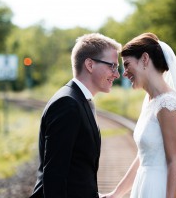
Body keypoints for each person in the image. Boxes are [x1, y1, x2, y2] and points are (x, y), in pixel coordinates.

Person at [101, 33, 176, 198]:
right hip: (144, 185)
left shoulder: (168, 105)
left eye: (127, 64)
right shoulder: (152, 101)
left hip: (160, 188)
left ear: (144, 59)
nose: (124, 73)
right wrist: (117, 193)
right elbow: (143, 157)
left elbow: (175, 162)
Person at [30, 33, 121, 198]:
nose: (117, 74)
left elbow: (76, 169)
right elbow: (55, 175)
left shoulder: (79, 100)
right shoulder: (67, 104)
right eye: (112, 66)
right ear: (90, 65)